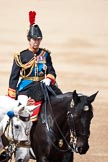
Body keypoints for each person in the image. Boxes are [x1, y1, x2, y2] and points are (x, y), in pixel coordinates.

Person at [8, 11, 62, 121]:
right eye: (34, 39)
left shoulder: (45, 54)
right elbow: (14, 78)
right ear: (29, 40)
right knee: (23, 110)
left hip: (43, 85)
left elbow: (51, 71)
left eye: (39, 39)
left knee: (59, 104)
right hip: (26, 87)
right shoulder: (21, 56)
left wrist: (48, 79)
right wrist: (12, 97)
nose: (36, 42)